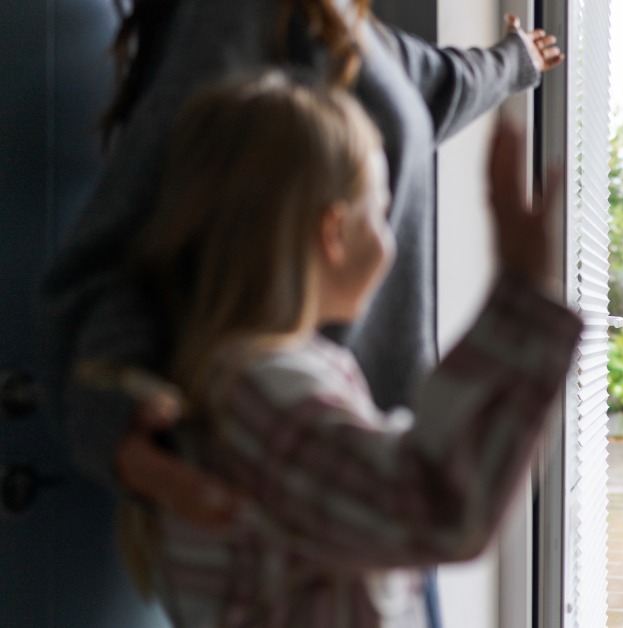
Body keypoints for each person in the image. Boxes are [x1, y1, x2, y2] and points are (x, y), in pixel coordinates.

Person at [35, 1, 562, 623]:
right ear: (331, 231)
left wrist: (514, 61)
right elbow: (144, 237)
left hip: (359, 499)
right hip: (342, 504)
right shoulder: (267, 393)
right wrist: (526, 298)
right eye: (376, 204)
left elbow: (429, 87)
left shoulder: (335, 20)